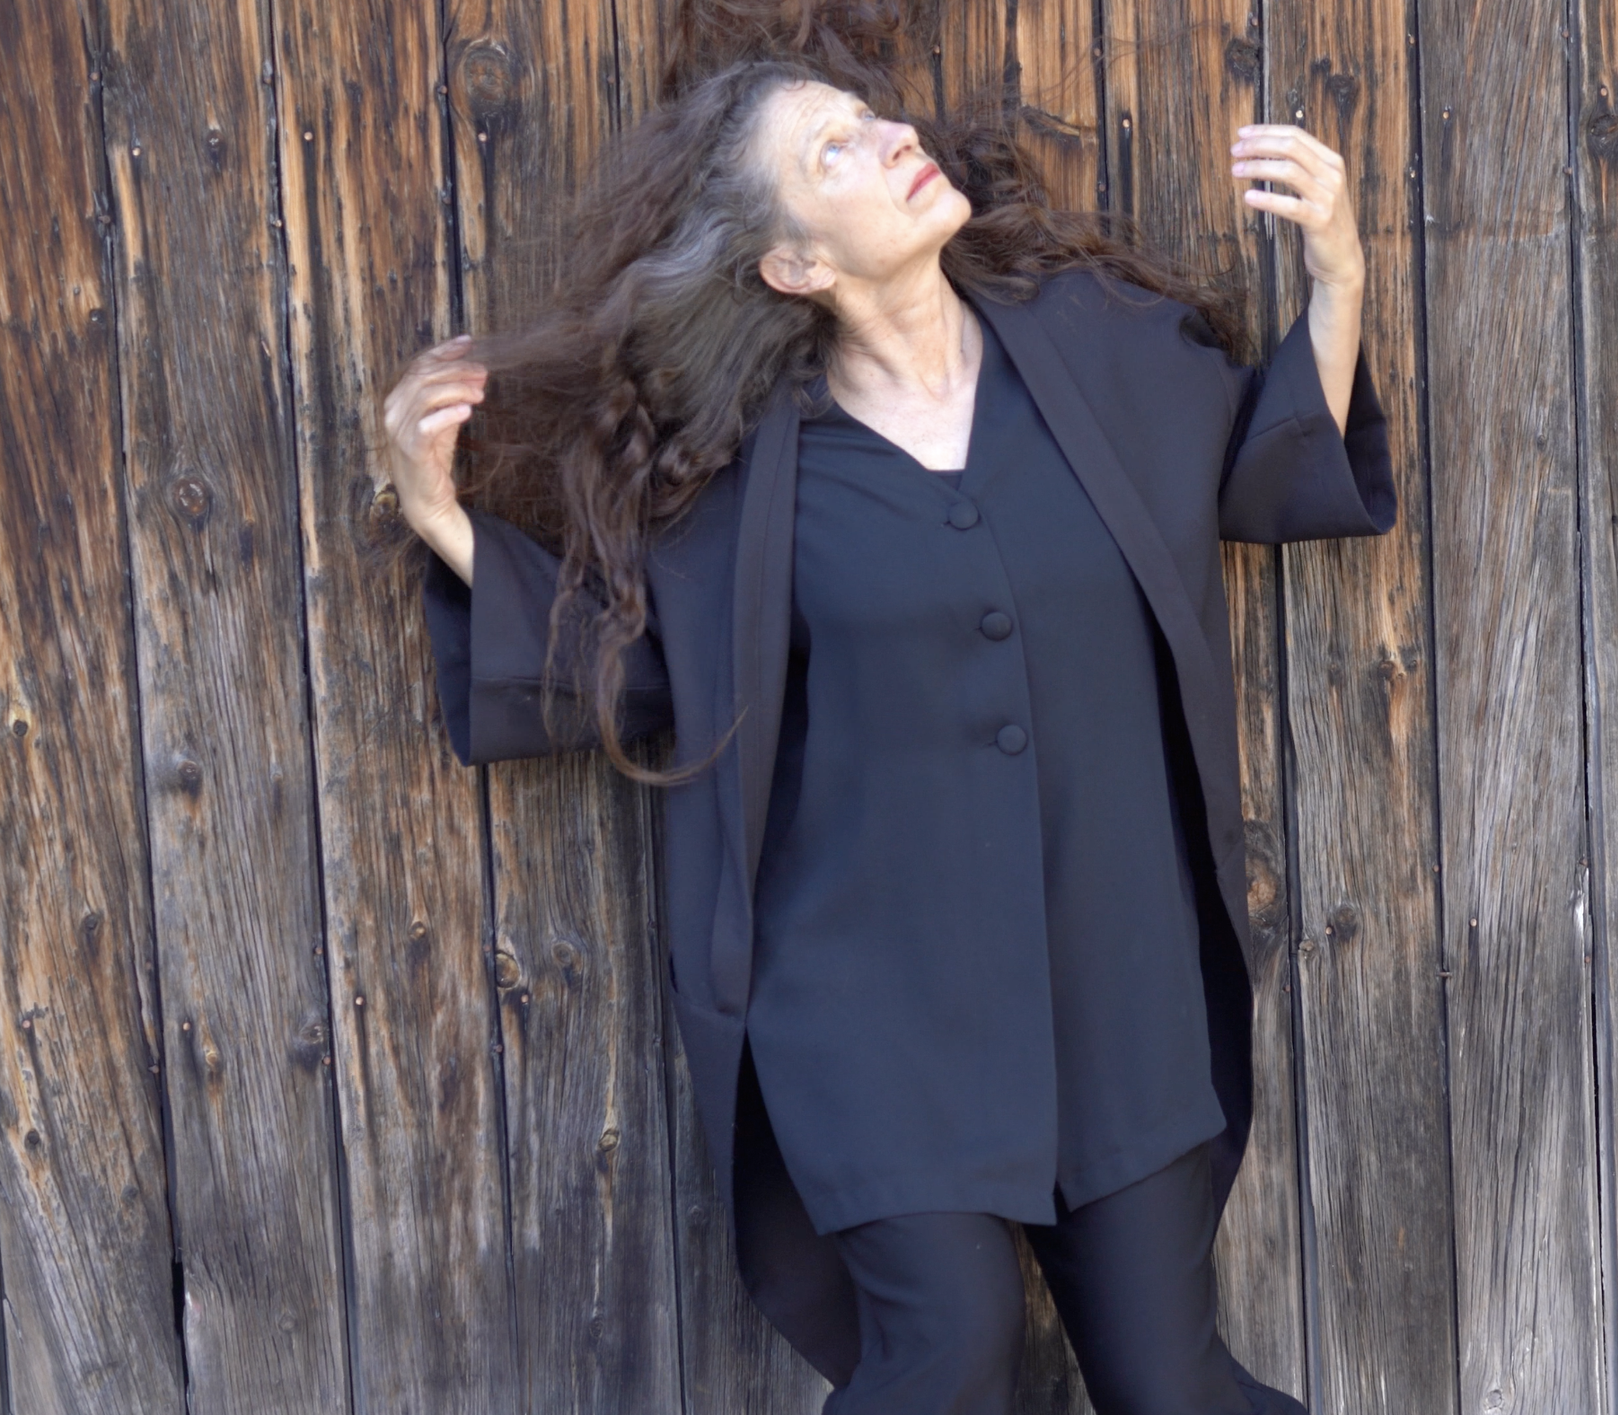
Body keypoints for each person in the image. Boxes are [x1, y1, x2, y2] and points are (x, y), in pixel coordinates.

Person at [378, 21, 1390, 1415]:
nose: (892, 139)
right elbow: (640, 669)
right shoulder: (745, 487)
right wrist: (442, 518)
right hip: (873, 1013)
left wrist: (1338, 274)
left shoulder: (1102, 360)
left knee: (1168, 1379)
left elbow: (1266, 472)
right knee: (946, 1358)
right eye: (833, 151)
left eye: (873, 117)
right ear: (793, 263)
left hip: (1116, 979)